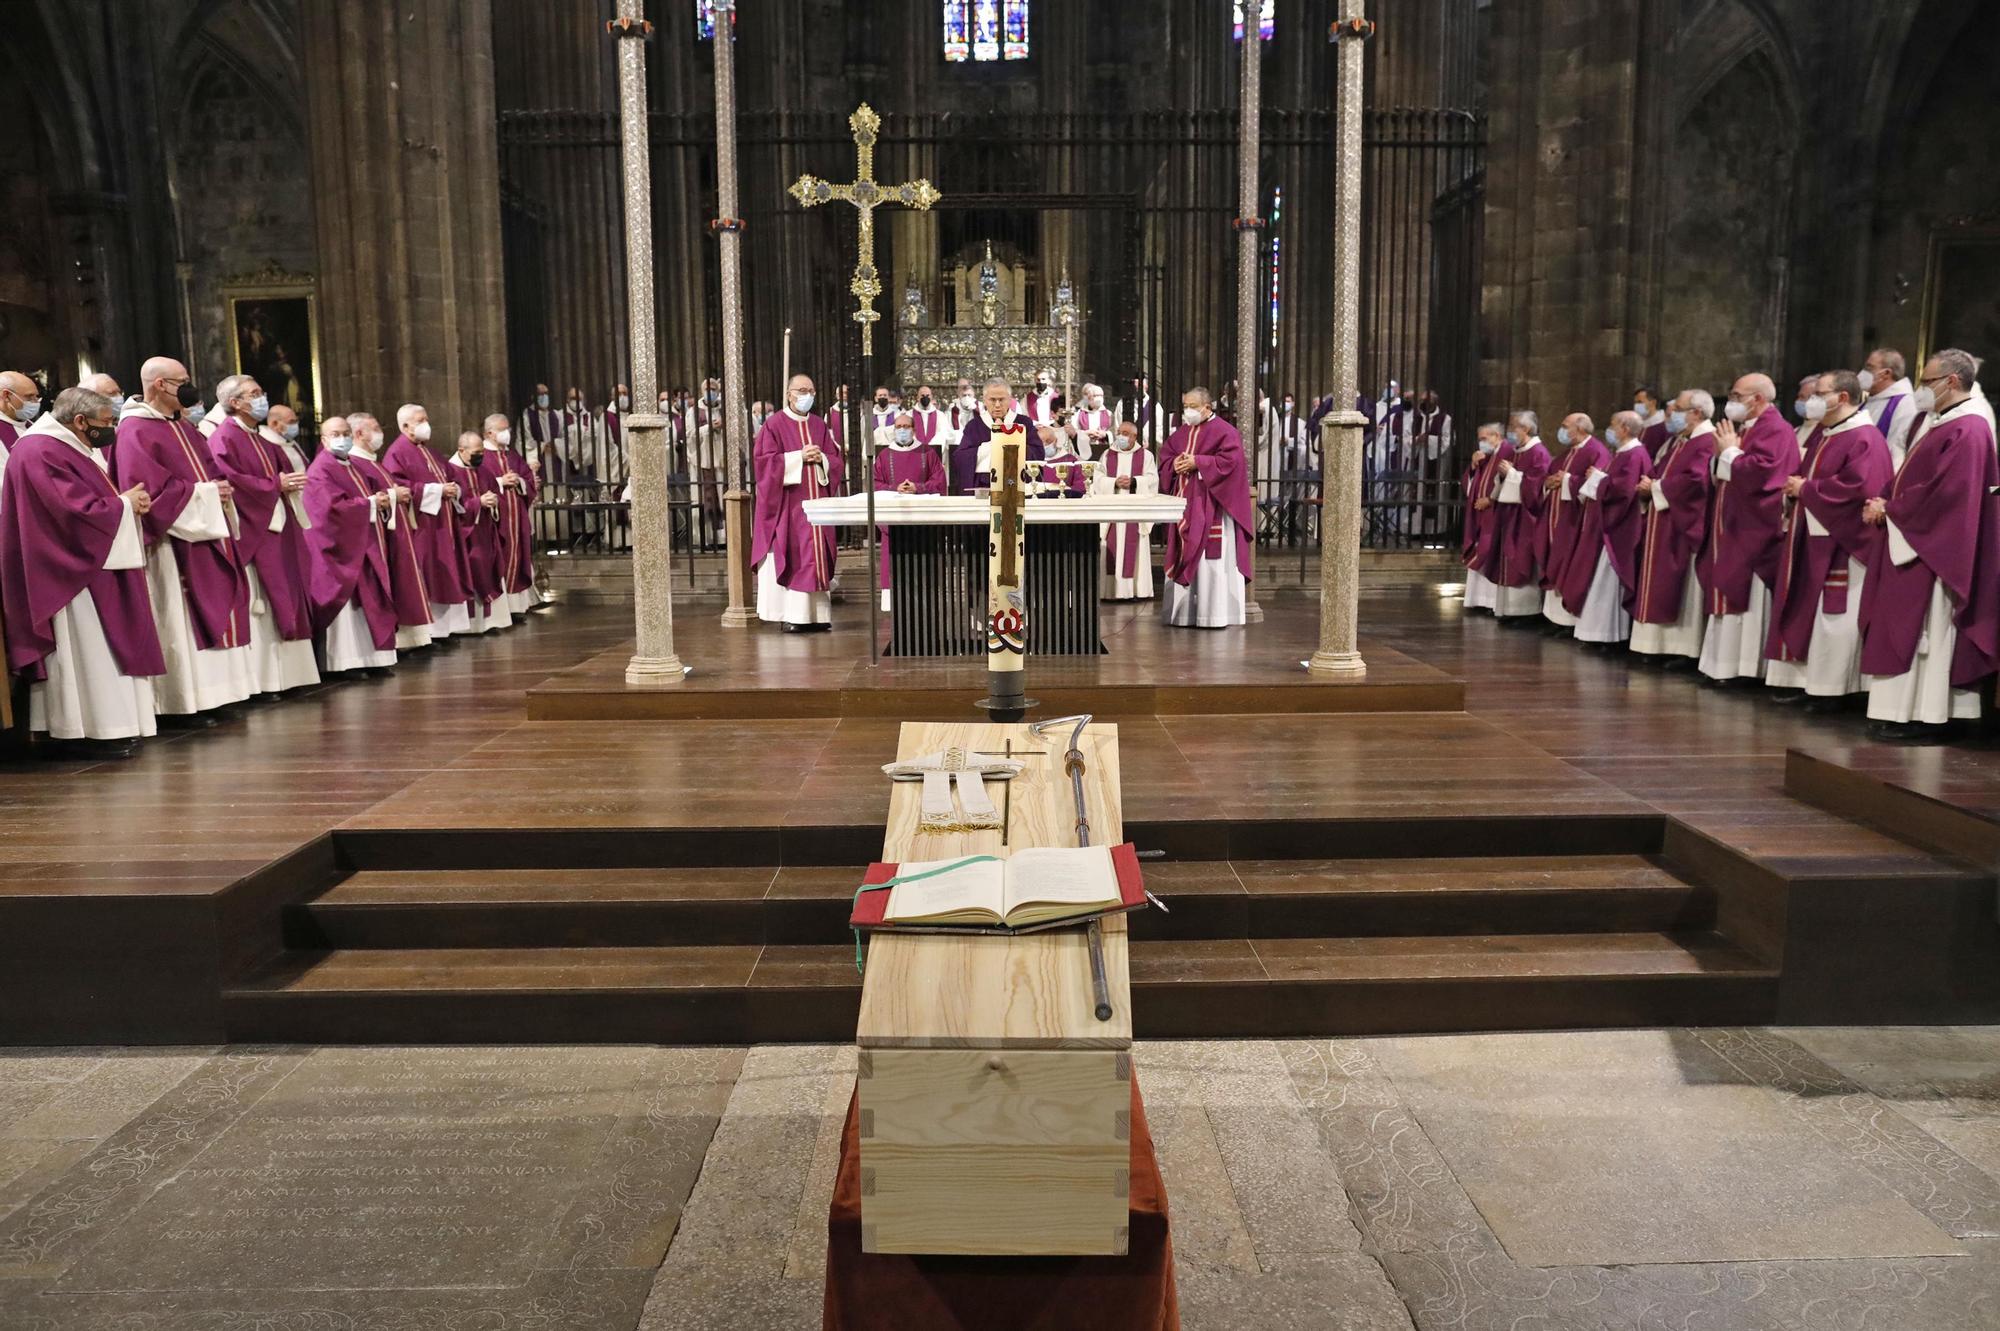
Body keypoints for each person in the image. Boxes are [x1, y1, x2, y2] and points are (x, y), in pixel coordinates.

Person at [0, 386, 163, 756]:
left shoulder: (67, 446)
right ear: (79, 420)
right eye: (106, 422)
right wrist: (124, 505)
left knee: (106, 646)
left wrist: (121, 505)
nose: (111, 429)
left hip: (92, 562)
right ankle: (88, 729)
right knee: (87, 648)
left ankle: (115, 725)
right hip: (67, 571)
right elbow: (69, 511)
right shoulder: (40, 449)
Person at [1858, 349, 2000, 738]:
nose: (1920, 390)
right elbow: (1911, 477)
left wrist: (1893, 508)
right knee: (1905, 625)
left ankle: (1927, 715)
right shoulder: (1942, 422)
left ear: (1951, 381)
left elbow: (1950, 495)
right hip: (1917, 541)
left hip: (1938, 553)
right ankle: (1901, 710)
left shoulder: (1969, 429)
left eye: (1927, 382)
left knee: (1929, 631)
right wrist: (1885, 498)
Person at [114, 356, 253, 723]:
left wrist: (218, 490)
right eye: (183, 380)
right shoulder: (135, 431)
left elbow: (210, 470)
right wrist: (205, 494)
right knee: (178, 615)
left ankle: (221, 694)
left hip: (204, 531)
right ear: (160, 384)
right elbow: (147, 489)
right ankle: (184, 703)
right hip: (172, 543)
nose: (190, 386)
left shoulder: (184, 428)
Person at [1762, 371, 1893, 708]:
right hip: (1814, 536)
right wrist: (1796, 490)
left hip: (1843, 545)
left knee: (1835, 617)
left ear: (1843, 397)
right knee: (1812, 611)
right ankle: (1809, 683)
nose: (1811, 401)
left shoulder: (1865, 437)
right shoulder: (1827, 433)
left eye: (1820, 393)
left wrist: (1805, 489)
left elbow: (1860, 488)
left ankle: (1834, 690)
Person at [205, 374, 319, 697]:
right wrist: (275, 487)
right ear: (234, 403)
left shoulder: (263, 441)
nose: (261, 398)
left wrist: (288, 485)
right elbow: (231, 481)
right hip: (256, 532)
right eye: (254, 394)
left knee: (286, 593)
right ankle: (267, 682)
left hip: (278, 527)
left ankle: (290, 678)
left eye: (261, 391)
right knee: (263, 602)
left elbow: (282, 477)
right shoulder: (224, 438)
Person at [1693, 373, 1798, 684]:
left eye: (1737, 396)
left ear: (1759, 399)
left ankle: (1743, 668)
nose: (1731, 401)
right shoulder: (1748, 428)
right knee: (1726, 583)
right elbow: (1727, 470)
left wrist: (1727, 453)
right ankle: (1721, 664)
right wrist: (1721, 457)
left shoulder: (1776, 429)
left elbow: (1764, 475)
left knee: (1745, 594)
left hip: (1754, 528)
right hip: (1733, 524)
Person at [302, 412, 398, 677]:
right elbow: (327, 510)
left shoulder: (351, 465)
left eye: (345, 433)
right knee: (347, 607)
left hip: (360, 543)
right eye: (335, 434)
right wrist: (369, 504)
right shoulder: (321, 469)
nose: (342, 438)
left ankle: (373, 659)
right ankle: (345, 663)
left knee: (370, 599)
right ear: (323, 439)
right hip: (337, 550)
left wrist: (377, 500)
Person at [1628, 392, 1715, 668]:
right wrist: (1650, 483)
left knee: (1682, 587)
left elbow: (1696, 482)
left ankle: (1683, 650)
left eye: (1677, 409)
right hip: (1664, 519)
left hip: (1683, 526)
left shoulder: (1706, 441)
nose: (1672, 414)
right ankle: (1654, 645)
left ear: (1696, 413)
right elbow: (1661, 470)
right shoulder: (1683, 440)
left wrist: (1654, 487)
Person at [752, 374, 843, 629]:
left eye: (811, 391)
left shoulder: (818, 425)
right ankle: (794, 617)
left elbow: (835, 461)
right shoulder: (774, 425)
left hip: (817, 505)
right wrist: (797, 457)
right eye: (801, 390)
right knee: (795, 552)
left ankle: (818, 616)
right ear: (789, 394)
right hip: (790, 506)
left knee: (817, 554)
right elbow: (763, 464)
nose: (807, 396)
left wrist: (822, 459)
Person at [1159, 387, 1253, 628]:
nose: (1187, 412)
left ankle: (1214, 615)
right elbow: (1166, 457)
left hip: (1213, 506)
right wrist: (1176, 464)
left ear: (1207, 407)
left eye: (1191, 406)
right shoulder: (1182, 432)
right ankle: (1184, 615)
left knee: (1212, 560)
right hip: (1185, 504)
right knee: (1184, 550)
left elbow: (1232, 464)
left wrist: (1198, 462)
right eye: (1184, 406)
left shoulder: (1226, 432)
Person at [381, 403, 473, 639]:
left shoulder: (428, 451)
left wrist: (454, 489)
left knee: (446, 572)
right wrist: (436, 491)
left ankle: (448, 629)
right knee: (430, 573)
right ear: (405, 426)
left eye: (426, 419)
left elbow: (453, 476)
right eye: (421, 420)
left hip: (444, 521)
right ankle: (431, 632)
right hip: (422, 524)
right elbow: (398, 486)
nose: (426, 425)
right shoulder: (397, 453)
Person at [1561, 410, 1653, 647]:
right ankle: (1595, 633)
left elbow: (1623, 491)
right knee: (1598, 580)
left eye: (1612, 425)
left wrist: (1599, 479)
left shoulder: (1635, 454)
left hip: (1619, 528)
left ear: (1624, 428)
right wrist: (1600, 478)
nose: (1609, 430)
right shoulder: (1622, 452)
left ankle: (1609, 636)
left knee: (1608, 581)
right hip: (1607, 524)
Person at [349, 413, 433, 651]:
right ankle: (402, 641)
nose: (380, 432)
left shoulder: (372, 461)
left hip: (396, 530)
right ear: (359, 434)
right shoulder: (357, 462)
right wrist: (395, 495)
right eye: (374, 428)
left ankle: (413, 639)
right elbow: (368, 498)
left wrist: (397, 494)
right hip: (380, 535)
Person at [1539, 413, 1609, 634]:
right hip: (1559, 519)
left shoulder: (1597, 451)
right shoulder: (1568, 453)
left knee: (1571, 568)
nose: (1561, 430)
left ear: (1579, 429)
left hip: (1577, 522)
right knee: (1557, 564)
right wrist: (1549, 482)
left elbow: (1598, 485)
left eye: (1564, 426)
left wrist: (1568, 480)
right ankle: (1554, 620)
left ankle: (1569, 622)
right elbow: (1550, 476)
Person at [1479, 410, 1551, 622]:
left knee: (1521, 559)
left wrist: (1511, 474)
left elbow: (1537, 486)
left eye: (1513, 427)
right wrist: (1504, 476)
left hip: (1526, 517)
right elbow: (1501, 481)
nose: (1509, 432)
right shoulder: (1516, 451)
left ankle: (1526, 612)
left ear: (1526, 429)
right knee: (1507, 559)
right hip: (1509, 516)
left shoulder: (1539, 453)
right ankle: (1508, 610)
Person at [871, 409, 946, 612]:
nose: (902, 430)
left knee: (922, 565)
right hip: (894, 520)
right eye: (898, 427)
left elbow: (940, 482)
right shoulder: (884, 456)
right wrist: (894, 488)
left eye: (906, 427)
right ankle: (894, 604)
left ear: (914, 429)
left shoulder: (928, 453)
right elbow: (875, 484)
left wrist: (917, 488)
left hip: (921, 521)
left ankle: (924, 602)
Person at [448, 429, 512, 633]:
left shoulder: (484, 471)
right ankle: (471, 627)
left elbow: (496, 494)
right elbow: (451, 506)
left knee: (490, 567)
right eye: (476, 453)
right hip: (466, 535)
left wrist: (492, 503)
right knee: (471, 569)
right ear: (461, 450)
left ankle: (491, 622)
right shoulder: (450, 471)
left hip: (485, 531)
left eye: (482, 452)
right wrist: (477, 503)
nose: (481, 457)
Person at [1093, 420, 1159, 601]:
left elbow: (1153, 480)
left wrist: (1135, 482)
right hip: (1112, 513)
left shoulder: (1146, 456)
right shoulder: (1107, 455)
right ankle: (1110, 592)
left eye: (1125, 433)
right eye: (1119, 432)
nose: (1121, 437)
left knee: (1133, 549)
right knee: (1110, 549)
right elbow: (1097, 479)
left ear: (1135, 436)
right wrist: (1113, 482)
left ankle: (1135, 591)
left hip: (1135, 513)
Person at [481, 413, 540, 614]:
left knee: (518, 555)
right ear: (489, 433)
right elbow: (475, 484)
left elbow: (528, 480)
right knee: (500, 558)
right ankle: (502, 610)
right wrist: (500, 482)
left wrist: (521, 482)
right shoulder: (481, 455)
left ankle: (517, 608)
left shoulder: (512, 455)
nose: (508, 433)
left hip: (517, 518)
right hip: (497, 520)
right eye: (502, 429)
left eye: (509, 429)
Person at [952, 378, 1042, 494]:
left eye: (1001, 399)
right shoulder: (974, 426)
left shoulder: (1024, 423)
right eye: (992, 400)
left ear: (1010, 399)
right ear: (984, 400)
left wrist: (1010, 442)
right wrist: (992, 445)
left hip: (1017, 484)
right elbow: (960, 458)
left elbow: (1038, 453)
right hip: (984, 486)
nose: (997, 405)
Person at [1461, 424, 1502, 613]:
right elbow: (1470, 485)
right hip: (1481, 515)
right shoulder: (1487, 457)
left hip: (1495, 514)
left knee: (1489, 554)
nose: (1481, 443)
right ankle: (1478, 600)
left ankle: (1491, 602)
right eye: (1480, 439)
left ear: (1497, 436)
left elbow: (1508, 481)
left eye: (1485, 438)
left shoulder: (1506, 453)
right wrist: (1473, 466)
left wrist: (1491, 499)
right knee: (1481, 551)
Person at [1860, 348, 1918, 466]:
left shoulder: (1905, 403)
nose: (1863, 373)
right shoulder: (1869, 400)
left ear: (1886, 373)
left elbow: (1897, 451)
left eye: (1869, 368)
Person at [0, 370, 43, 482]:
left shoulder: (31, 425)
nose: (35, 402)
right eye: (29, 397)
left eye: (36, 397)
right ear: (6, 395)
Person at [519, 382, 563, 480]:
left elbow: (563, 436)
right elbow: (524, 440)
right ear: (533, 397)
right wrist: (542, 446)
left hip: (555, 455)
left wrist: (556, 444)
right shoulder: (527, 415)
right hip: (539, 457)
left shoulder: (556, 415)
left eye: (546, 393)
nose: (544, 396)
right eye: (540, 394)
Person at [1118, 377, 1167, 449]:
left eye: (1140, 386)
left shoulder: (1154, 406)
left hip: (1149, 447)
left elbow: (1160, 428)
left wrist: (1151, 442)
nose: (1137, 389)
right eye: (1135, 386)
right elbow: (1118, 425)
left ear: (1146, 387)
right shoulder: (1122, 404)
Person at [1071, 384, 1115, 460]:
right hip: (1084, 450)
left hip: (1103, 449)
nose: (1099, 398)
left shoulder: (1109, 414)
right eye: (1095, 396)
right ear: (1089, 398)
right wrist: (1085, 433)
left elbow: (1114, 431)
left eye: (1101, 396)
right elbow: (1074, 431)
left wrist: (1105, 434)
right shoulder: (1079, 414)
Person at [1634, 387, 1671, 458]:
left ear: (1653, 402)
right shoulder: (1638, 424)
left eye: (1640, 402)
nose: (1636, 406)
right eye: (1635, 402)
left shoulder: (1664, 426)